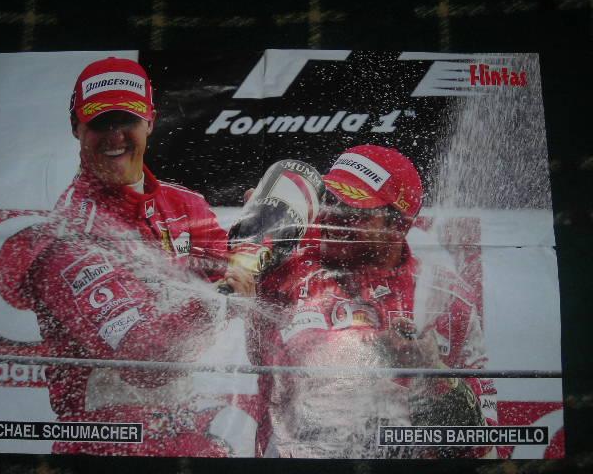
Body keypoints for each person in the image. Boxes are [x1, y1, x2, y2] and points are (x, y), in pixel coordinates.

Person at [24, 57, 257, 456]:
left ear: (150, 121)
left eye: (127, 121)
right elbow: (143, 361)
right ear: (76, 128)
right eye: (101, 123)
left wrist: (260, 233)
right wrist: (218, 300)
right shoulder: (66, 238)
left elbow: (238, 272)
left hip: (185, 430)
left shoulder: (184, 205)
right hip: (106, 446)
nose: (115, 137)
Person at [253, 144, 496, 458]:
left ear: (398, 226)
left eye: (352, 212)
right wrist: (251, 231)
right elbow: (221, 272)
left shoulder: (449, 301)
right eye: (329, 199)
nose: (330, 217)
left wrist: (432, 374)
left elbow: (483, 446)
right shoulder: (286, 260)